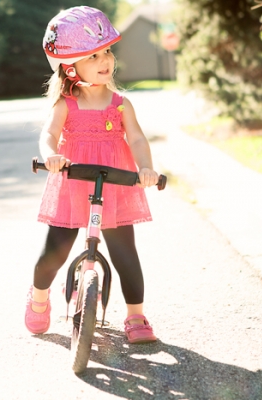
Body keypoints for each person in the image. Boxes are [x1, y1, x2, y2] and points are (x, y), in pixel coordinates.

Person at [25, 5, 160, 344]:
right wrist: (52, 156)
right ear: (70, 68)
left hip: (114, 185)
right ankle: (39, 297)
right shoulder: (66, 105)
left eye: (108, 51)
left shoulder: (120, 104)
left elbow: (138, 139)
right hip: (72, 183)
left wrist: (145, 167)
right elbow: (48, 135)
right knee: (52, 254)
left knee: (124, 251)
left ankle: (135, 315)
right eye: (94, 55)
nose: (106, 60)